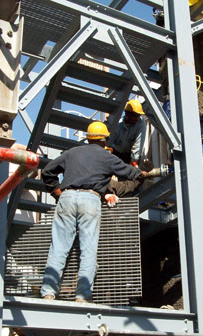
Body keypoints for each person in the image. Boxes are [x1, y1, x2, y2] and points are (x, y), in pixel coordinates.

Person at [40, 121, 145, 302]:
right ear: (104, 140)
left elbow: (47, 171)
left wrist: (56, 191)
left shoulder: (71, 153)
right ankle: (82, 296)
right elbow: (132, 173)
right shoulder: (107, 157)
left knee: (58, 248)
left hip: (67, 197)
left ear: (88, 138)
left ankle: (48, 293)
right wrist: (143, 174)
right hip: (90, 199)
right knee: (88, 250)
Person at [106, 99, 147, 166]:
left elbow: (138, 143)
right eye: (135, 116)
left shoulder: (140, 123)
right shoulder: (117, 125)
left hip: (128, 155)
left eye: (138, 115)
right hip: (115, 153)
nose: (137, 118)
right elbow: (109, 144)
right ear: (127, 114)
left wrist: (134, 161)